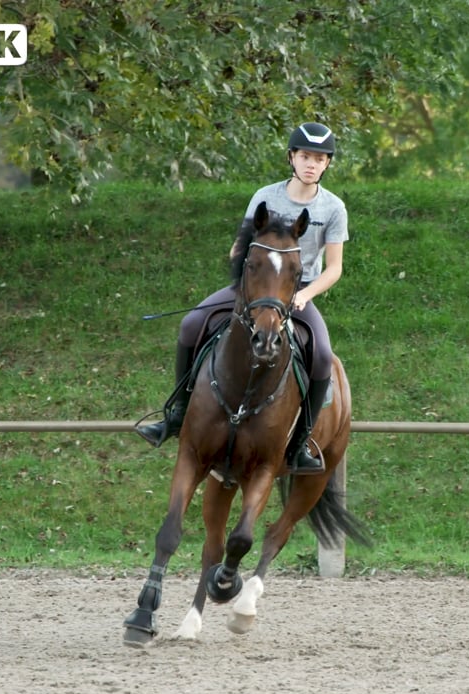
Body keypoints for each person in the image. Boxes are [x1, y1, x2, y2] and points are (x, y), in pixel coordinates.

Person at [137, 121, 348, 475]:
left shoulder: (333, 208)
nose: (312, 164)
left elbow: (334, 267)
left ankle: (299, 446)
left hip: (296, 294)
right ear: (291, 158)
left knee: (323, 357)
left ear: (327, 165)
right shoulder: (265, 196)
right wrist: (247, 286)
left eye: (320, 159)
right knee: (191, 325)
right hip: (252, 290)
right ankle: (175, 414)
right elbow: (239, 246)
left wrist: (306, 295)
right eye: (306, 156)